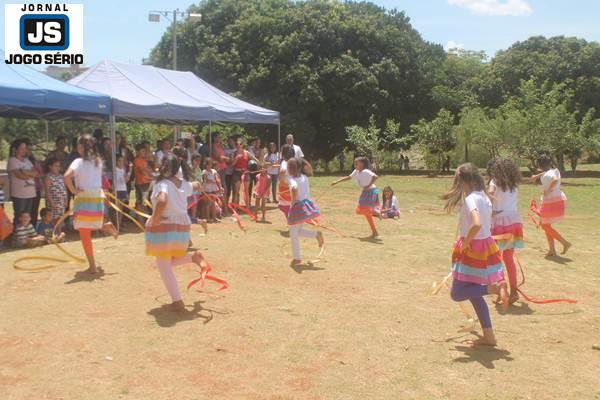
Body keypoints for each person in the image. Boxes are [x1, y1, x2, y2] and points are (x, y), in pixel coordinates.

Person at [441, 163, 507, 346]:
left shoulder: (471, 199)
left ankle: (492, 288)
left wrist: (466, 244)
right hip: (484, 246)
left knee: (457, 293)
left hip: (473, 249)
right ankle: (489, 336)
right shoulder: (484, 196)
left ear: (462, 180)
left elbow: (476, 223)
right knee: (473, 294)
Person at [145, 153, 210, 312]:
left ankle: (177, 301)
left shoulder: (163, 184)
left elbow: (161, 201)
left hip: (165, 225)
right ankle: (193, 257)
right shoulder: (183, 184)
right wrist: (199, 183)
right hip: (181, 228)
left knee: (163, 265)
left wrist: (155, 219)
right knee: (167, 261)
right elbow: (194, 185)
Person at [64, 135, 118, 274]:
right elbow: (97, 180)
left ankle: (92, 265)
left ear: (81, 147)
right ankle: (105, 226)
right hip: (96, 196)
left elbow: (66, 176)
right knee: (88, 225)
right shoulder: (98, 161)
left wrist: (74, 191)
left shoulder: (78, 162)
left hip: (84, 197)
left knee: (84, 231)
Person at [487, 158, 524, 305]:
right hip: (514, 222)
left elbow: (489, 196)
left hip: (500, 222)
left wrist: (490, 210)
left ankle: (502, 288)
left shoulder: (494, 182)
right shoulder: (513, 184)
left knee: (496, 258)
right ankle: (513, 291)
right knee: (509, 258)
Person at [286, 157, 323, 266]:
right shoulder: (304, 177)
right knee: (298, 231)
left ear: (291, 169)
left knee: (293, 233)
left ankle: (297, 258)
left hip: (297, 207)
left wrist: (292, 204)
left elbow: (294, 188)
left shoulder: (292, 179)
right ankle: (316, 234)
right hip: (306, 205)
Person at [331, 157, 380, 238]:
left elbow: (375, 176)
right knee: (362, 212)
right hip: (366, 192)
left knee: (361, 210)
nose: (355, 164)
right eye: (355, 163)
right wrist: (336, 182)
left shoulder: (366, 171)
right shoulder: (356, 171)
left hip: (372, 191)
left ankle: (376, 212)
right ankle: (375, 231)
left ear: (362, 164)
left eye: (357, 163)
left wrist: (368, 185)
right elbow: (349, 177)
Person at [531, 155, 571, 257]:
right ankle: (552, 250)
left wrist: (547, 190)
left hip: (550, 201)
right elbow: (548, 173)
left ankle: (564, 243)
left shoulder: (550, 174)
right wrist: (537, 176)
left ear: (539, 165)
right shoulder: (554, 170)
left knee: (544, 225)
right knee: (546, 225)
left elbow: (554, 180)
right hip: (556, 199)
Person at [7, 139, 38, 227]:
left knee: (27, 216)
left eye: (25, 148)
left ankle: (25, 234)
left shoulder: (27, 160)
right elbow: (19, 175)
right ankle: (17, 235)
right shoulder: (12, 160)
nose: (24, 150)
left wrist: (25, 172)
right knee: (19, 216)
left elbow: (35, 173)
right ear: (15, 149)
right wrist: (29, 173)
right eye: (22, 148)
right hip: (19, 194)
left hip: (30, 193)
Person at [231, 137, 259, 207]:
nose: (238, 145)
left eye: (240, 144)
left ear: (242, 145)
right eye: (237, 144)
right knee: (236, 192)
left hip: (245, 172)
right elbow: (232, 165)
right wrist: (236, 158)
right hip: (236, 172)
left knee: (246, 190)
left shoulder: (246, 152)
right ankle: (235, 208)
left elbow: (255, 159)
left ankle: (247, 206)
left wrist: (260, 164)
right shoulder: (233, 153)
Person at [44, 157, 68, 225]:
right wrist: (51, 202)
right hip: (53, 202)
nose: (58, 168)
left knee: (59, 219)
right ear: (50, 167)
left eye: (59, 166)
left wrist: (66, 200)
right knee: (51, 218)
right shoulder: (48, 177)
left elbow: (65, 188)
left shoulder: (61, 176)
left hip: (61, 202)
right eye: (56, 166)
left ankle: (58, 233)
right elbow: (47, 190)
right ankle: (51, 233)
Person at [133, 143, 154, 222]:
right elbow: (142, 171)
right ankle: (140, 220)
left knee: (145, 202)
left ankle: (145, 219)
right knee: (141, 202)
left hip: (147, 183)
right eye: (142, 151)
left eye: (145, 151)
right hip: (141, 183)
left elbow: (150, 170)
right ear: (137, 152)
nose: (144, 153)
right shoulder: (137, 160)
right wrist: (151, 176)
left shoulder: (145, 160)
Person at [277, 145, 295, 221]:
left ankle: (292, 222)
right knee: (289, 205)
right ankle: (292, 222)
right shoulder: (294, 162)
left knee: (284, 206)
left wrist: (280, 180)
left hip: (285, 187)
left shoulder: (284, 162)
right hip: (292, 186)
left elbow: (283, 170)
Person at [201, 158, 222, 223]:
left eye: (210, 164)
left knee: (213, 204)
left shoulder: (214, 171)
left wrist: (220, 187)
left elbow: (217, 178)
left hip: (213, 189)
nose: (209, 166)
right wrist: (213, 181)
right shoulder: (204, 171)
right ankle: (207, 218)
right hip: (207, 189)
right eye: (208, 164)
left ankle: (214, 217)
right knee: (207, 204)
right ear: (206, 165)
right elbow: (205, 179)